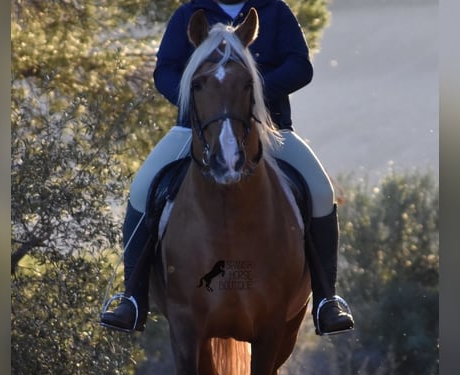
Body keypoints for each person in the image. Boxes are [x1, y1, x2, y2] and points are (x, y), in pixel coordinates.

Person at [100, 0, 354, 336]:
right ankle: (132, 298)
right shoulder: (190, 13)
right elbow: (165, 70)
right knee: (142, 188)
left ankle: (325, 300)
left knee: (321, 192)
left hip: (269, 127)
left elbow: (299, 66)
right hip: (197, 129)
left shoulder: (274, 10)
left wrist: (250, 92)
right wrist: (205, 101)